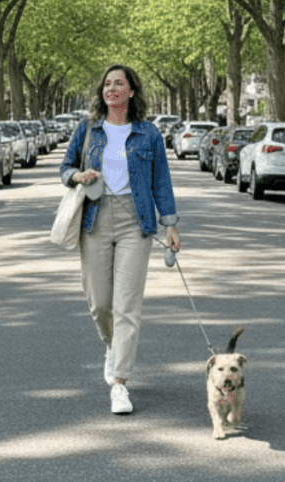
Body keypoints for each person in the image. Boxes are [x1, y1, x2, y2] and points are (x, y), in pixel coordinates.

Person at [59, 64, 181, 415]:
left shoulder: (148, 134)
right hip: (94, 219)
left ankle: (120, 383)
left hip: (135, 222)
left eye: (119, 83)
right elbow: (65, 168)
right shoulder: (88, 129)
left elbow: (161, 182)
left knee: (127, 306)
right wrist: (77, 175)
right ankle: (112, 348)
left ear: (131, 91)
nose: (111, 88)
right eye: (107, 84)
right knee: (100, 304)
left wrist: (170, 224)